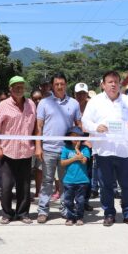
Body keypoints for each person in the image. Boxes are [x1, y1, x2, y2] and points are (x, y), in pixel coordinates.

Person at [82, 70, 128, 227]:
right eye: (110, 81)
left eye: (116, 81)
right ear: (103, 84)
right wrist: (96, 127)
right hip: (104, 150)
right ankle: (109, 213)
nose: (113, 84)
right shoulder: (95, 102)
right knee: (106, 185)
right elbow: (85, 122)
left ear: (120, 84)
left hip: (124, 150)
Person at [34, 72, 82, 223]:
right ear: (52, 86)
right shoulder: (44, 103)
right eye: (56, 84)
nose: (59, 87)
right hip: (48, 149)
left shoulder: (74, 103)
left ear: (66, 84)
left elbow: (79, 125)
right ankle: (43, 211)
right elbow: (39, 127)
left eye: (62, 84)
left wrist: (78, 145)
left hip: (66, 150)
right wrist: (38, 147)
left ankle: (65, 208)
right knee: (47, 181)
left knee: (65, 182)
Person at [0, 76, 37, 224]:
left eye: (21, 86)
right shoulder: (3, 105)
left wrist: (36, 146)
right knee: (6, 186)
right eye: (15, 86)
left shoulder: (31, 104)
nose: (19, 89)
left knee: (24, 186)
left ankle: (23, 213)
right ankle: (7, 213)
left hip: (26, 151)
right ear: (10, 89)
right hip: (7, 152)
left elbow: (36, 127)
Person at [60, 127, 91, 225]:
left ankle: (79, 217)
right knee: (68, 201)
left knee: (80, 201)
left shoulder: (85, 149)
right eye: (73, 136)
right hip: (69, 181)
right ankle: (70, 217)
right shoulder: (65, 148)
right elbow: (62, 163)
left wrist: (77, 149)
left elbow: (84, 160)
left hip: (82, 180)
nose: (75, 138)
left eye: (78, 136)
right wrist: (74, 158)